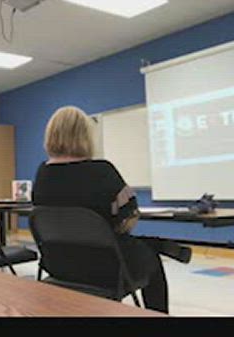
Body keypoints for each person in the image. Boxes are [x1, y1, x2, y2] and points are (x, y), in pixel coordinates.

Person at [32, 106, 191, 313]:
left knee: (138, 247)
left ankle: (157, 245)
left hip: (59, 265)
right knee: (151, 260)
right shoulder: (102, 170)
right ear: (85, 135)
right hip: (107, 270)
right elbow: (129, 219)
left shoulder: (42, 174)